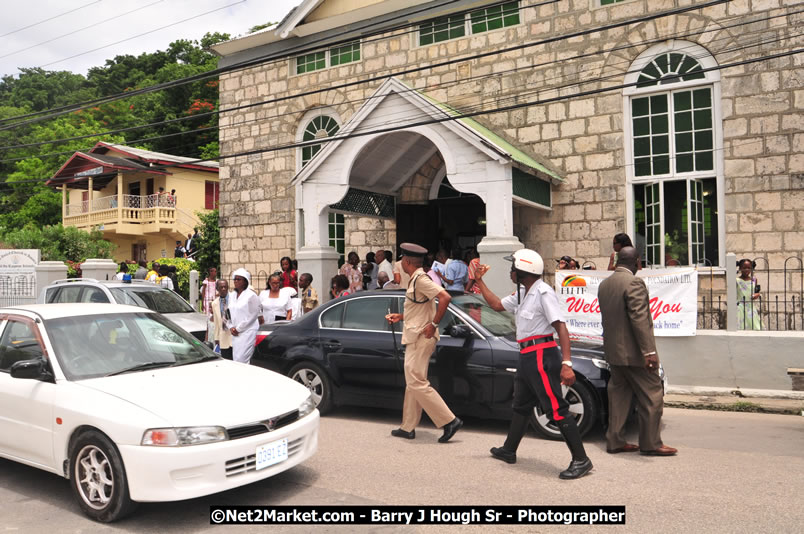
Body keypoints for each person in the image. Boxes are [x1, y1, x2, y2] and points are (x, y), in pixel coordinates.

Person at [472, 249, 593, 480]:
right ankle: (509, 450)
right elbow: (497, 305)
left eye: (513, 268)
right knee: (521, 405)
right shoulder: (523, 293)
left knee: (556, 408)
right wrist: (479, 282)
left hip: (541, 354)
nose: (510, 272)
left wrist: (566, 363)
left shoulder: (543, 293)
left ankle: (581, 460)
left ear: (523, 271)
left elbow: (561, 327)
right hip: (527, 355)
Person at [597, 246, 677, 457]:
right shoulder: (633, 282)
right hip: (634, 354)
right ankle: (651, 443)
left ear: (616, 262)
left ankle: (615, 441)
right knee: (652, 394)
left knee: (618, 396)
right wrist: (649, 352)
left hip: (613, 352)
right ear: (638, 263)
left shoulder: (605, 284)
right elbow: (639, 318)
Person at [385, 243, 462, 443]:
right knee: (413, 383)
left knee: (416, 382)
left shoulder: (420, 279)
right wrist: (401, 316)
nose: (401, 262)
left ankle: (449, 420)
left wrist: (434, 324)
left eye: (402, 259)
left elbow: (445, 297)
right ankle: (407, 426)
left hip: (421, 337)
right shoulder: (415, 280)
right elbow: (419, 308)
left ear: (407, 261)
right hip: (416, 336)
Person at [229, 268, 260, 364]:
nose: (236, 281)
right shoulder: (232, 295)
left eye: (239, 279)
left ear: (245, 281)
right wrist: (230, 327)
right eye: (235, 279)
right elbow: (226, 312)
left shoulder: (251, 296)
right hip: (234, 332)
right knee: (236, 359)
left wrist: (238, 328)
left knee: (242, 359)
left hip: (247, 332)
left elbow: (253, 315)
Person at [736, 259, 762, 330]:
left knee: (756, 327)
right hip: (740, 307)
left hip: (751, 307)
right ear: (740, 268)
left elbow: (756, 292)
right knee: (741, 327)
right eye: (744, 268)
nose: (746, 270)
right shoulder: (736, 280)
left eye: (749, 268)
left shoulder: (754, 280)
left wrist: (757, 294)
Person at [211, 279, 233, 360]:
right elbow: (216, 322)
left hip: (234, 336)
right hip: (223, 337)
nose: (223, 289)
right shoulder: (214, 303)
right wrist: (216, 338)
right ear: (217, 289)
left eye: (225, 287)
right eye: (221, 287)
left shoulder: (234, 299)